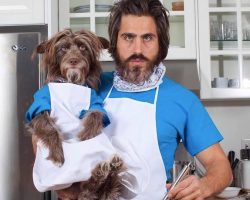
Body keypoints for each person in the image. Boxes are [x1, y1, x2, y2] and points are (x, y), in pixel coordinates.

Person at [55, 0, 232, 199]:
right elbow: (43, 126)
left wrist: (205, 185)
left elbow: (221, 168)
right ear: (115, 42)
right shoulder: (88, 87)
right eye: (128, 37)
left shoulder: (183, 100)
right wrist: (57, 175)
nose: (137, 48)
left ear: (160, 43)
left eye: (147, 37)